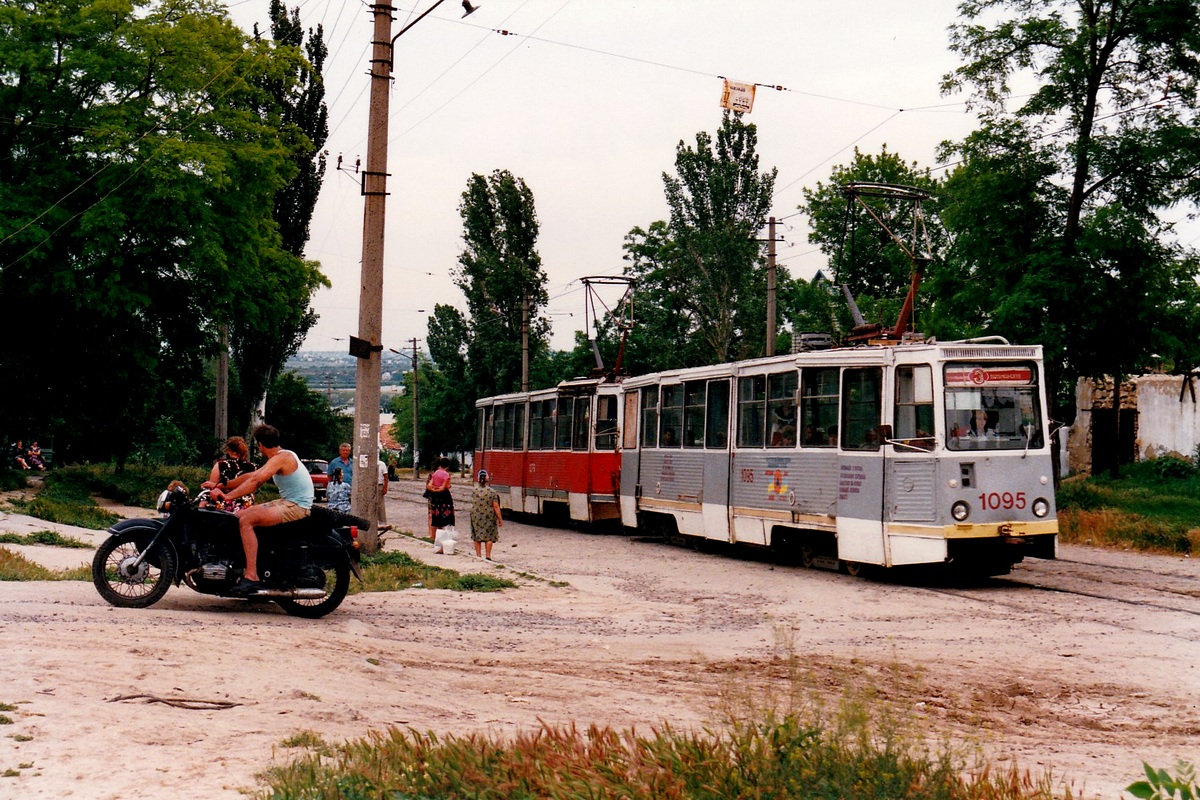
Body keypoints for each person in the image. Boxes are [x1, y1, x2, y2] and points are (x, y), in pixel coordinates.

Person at [209, 424, 314, 596]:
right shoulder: (280, 457)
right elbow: (250, 476)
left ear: (260, 444)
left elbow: (255, 481)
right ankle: (243, 566)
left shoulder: (282, 458)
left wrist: (227, 497)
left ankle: (251, 576)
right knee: (237, 516)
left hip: (296, 506)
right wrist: (219, 486)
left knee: (247, 520)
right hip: (288, 502)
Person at [201, 436, 256, 512]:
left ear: (228, 450)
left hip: (224, 503)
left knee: (207, 489)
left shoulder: (221, 465)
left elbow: (212, 487)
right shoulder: (252, 467)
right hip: (245, 505)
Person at [470, 469, 503, 560]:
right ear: (487, 479)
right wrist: (500, 519)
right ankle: (488, 556)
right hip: (488, 516)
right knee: (489, 536)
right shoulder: (492, 492)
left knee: (477, 536)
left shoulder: (474, 490)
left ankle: (478, 555)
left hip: (476, 515)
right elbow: (495, 506)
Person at [425, 456, 454, 542]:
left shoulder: (434, 473)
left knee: (434, 517)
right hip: (444, 497)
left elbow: (429, 485)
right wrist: (439, 489)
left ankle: (433, 536)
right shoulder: (446, 474)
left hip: (434, 498)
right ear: (447, 466)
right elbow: (446, 487)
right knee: (444, 518)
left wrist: (434, 489)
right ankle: (441, 538)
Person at [376, 457, 390, 531]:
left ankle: (382, 522)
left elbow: (386, 476)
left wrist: (385, 487)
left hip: (379, 485)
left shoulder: (381, 464)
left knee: (380, 505)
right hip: (370, 486)